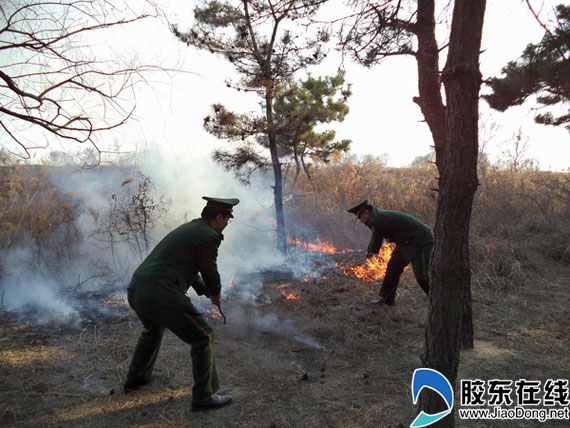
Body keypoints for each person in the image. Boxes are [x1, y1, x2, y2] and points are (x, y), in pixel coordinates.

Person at [124, 196, 239, 411]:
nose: (227, 224)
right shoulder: (208, 236)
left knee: (152, 330)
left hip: (138, 289)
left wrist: (205, 292)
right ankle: (204, 397)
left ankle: (136, 379)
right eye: (227, 219)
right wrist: (215, 293)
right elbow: (209, 270)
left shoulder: (192, 228)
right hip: (159, 293)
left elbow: (190, 270)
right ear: (218, 217)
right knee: (203, 336)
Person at [347, 200, 433, 306]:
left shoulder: (376, 219)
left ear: (365, 212)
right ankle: (387, 300)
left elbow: (377, 237)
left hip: (420, 240)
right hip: (405, 243)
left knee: (422, 276)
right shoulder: (376, 217)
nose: (360, 221)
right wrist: (371, 251)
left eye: (360, 217)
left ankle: (437, 301)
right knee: (393, 267)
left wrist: (371, 251)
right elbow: (376, 234)